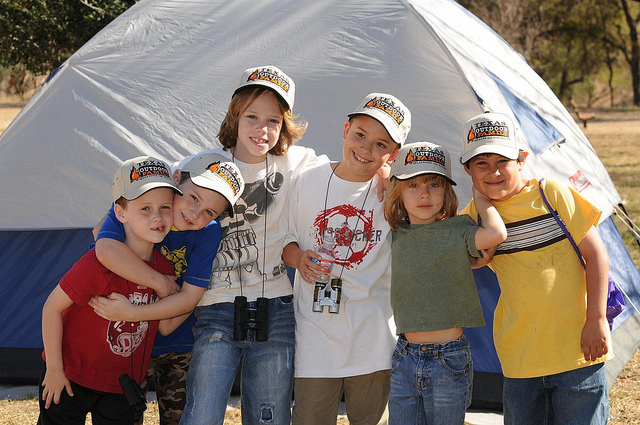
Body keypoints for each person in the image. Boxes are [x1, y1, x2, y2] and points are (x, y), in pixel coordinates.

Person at [177, 65, 324, 425]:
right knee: (202, 414)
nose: (262, 129)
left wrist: (383, 174)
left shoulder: (297, 162)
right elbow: (158, 196)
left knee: (269, 416)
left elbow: (341, 172)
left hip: (277, 309)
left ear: (284, 125)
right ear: (235, 116)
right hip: (215, 308)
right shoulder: (203, 164)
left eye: (273, 120)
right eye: (252, 116)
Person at [460, 112, 613, 425]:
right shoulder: (474, 215)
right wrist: (483, 207)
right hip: (520, 356)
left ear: (522, 159)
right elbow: (462, 259)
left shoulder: (551, 194)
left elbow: (596, 256)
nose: (493, 172)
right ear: (467, 169)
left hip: (578, 350)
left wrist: (596, 319)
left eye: (502, 160)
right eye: (481, 164)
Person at [283, 93, 411, 425]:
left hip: (372, 337)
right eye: (360, 134)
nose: (366, 149)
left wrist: (393, 182)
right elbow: (285, 240)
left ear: (393, 155)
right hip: (314, 334)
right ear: (345, 129)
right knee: (309, 418)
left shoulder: (396, 195)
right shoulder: (306, 180)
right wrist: (298, 258)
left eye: (381, 144)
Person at [90, 152, 244, 425]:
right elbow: (104, 248)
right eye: (192, 197)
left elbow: (178, 312)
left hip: (177, 342)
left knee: (178, 418)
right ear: (175, 179)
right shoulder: (141, 205)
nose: (195, 213)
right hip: (127, 341)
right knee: (123, 416)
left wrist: (137, 312)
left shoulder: (208, 231)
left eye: (209, 211)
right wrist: (161, 283)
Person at [38, 156, 183, 425]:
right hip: (69, 377)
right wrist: (55, 369)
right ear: (120, 212)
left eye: (165, 207)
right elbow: (52, 308)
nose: (157, 216)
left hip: (121, 384)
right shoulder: (97, 264)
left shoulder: (164, 268)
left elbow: (164, 325)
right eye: (145, 208)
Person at [382, 141, 506, 424]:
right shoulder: (396, 231)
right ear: (397, 193)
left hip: (449, 359)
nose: (424, 194)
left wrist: (480, 196)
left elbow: (496, 233)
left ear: (447, 191)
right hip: (404, 355)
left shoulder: (459, 228)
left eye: (434, 185)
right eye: (412, 186)